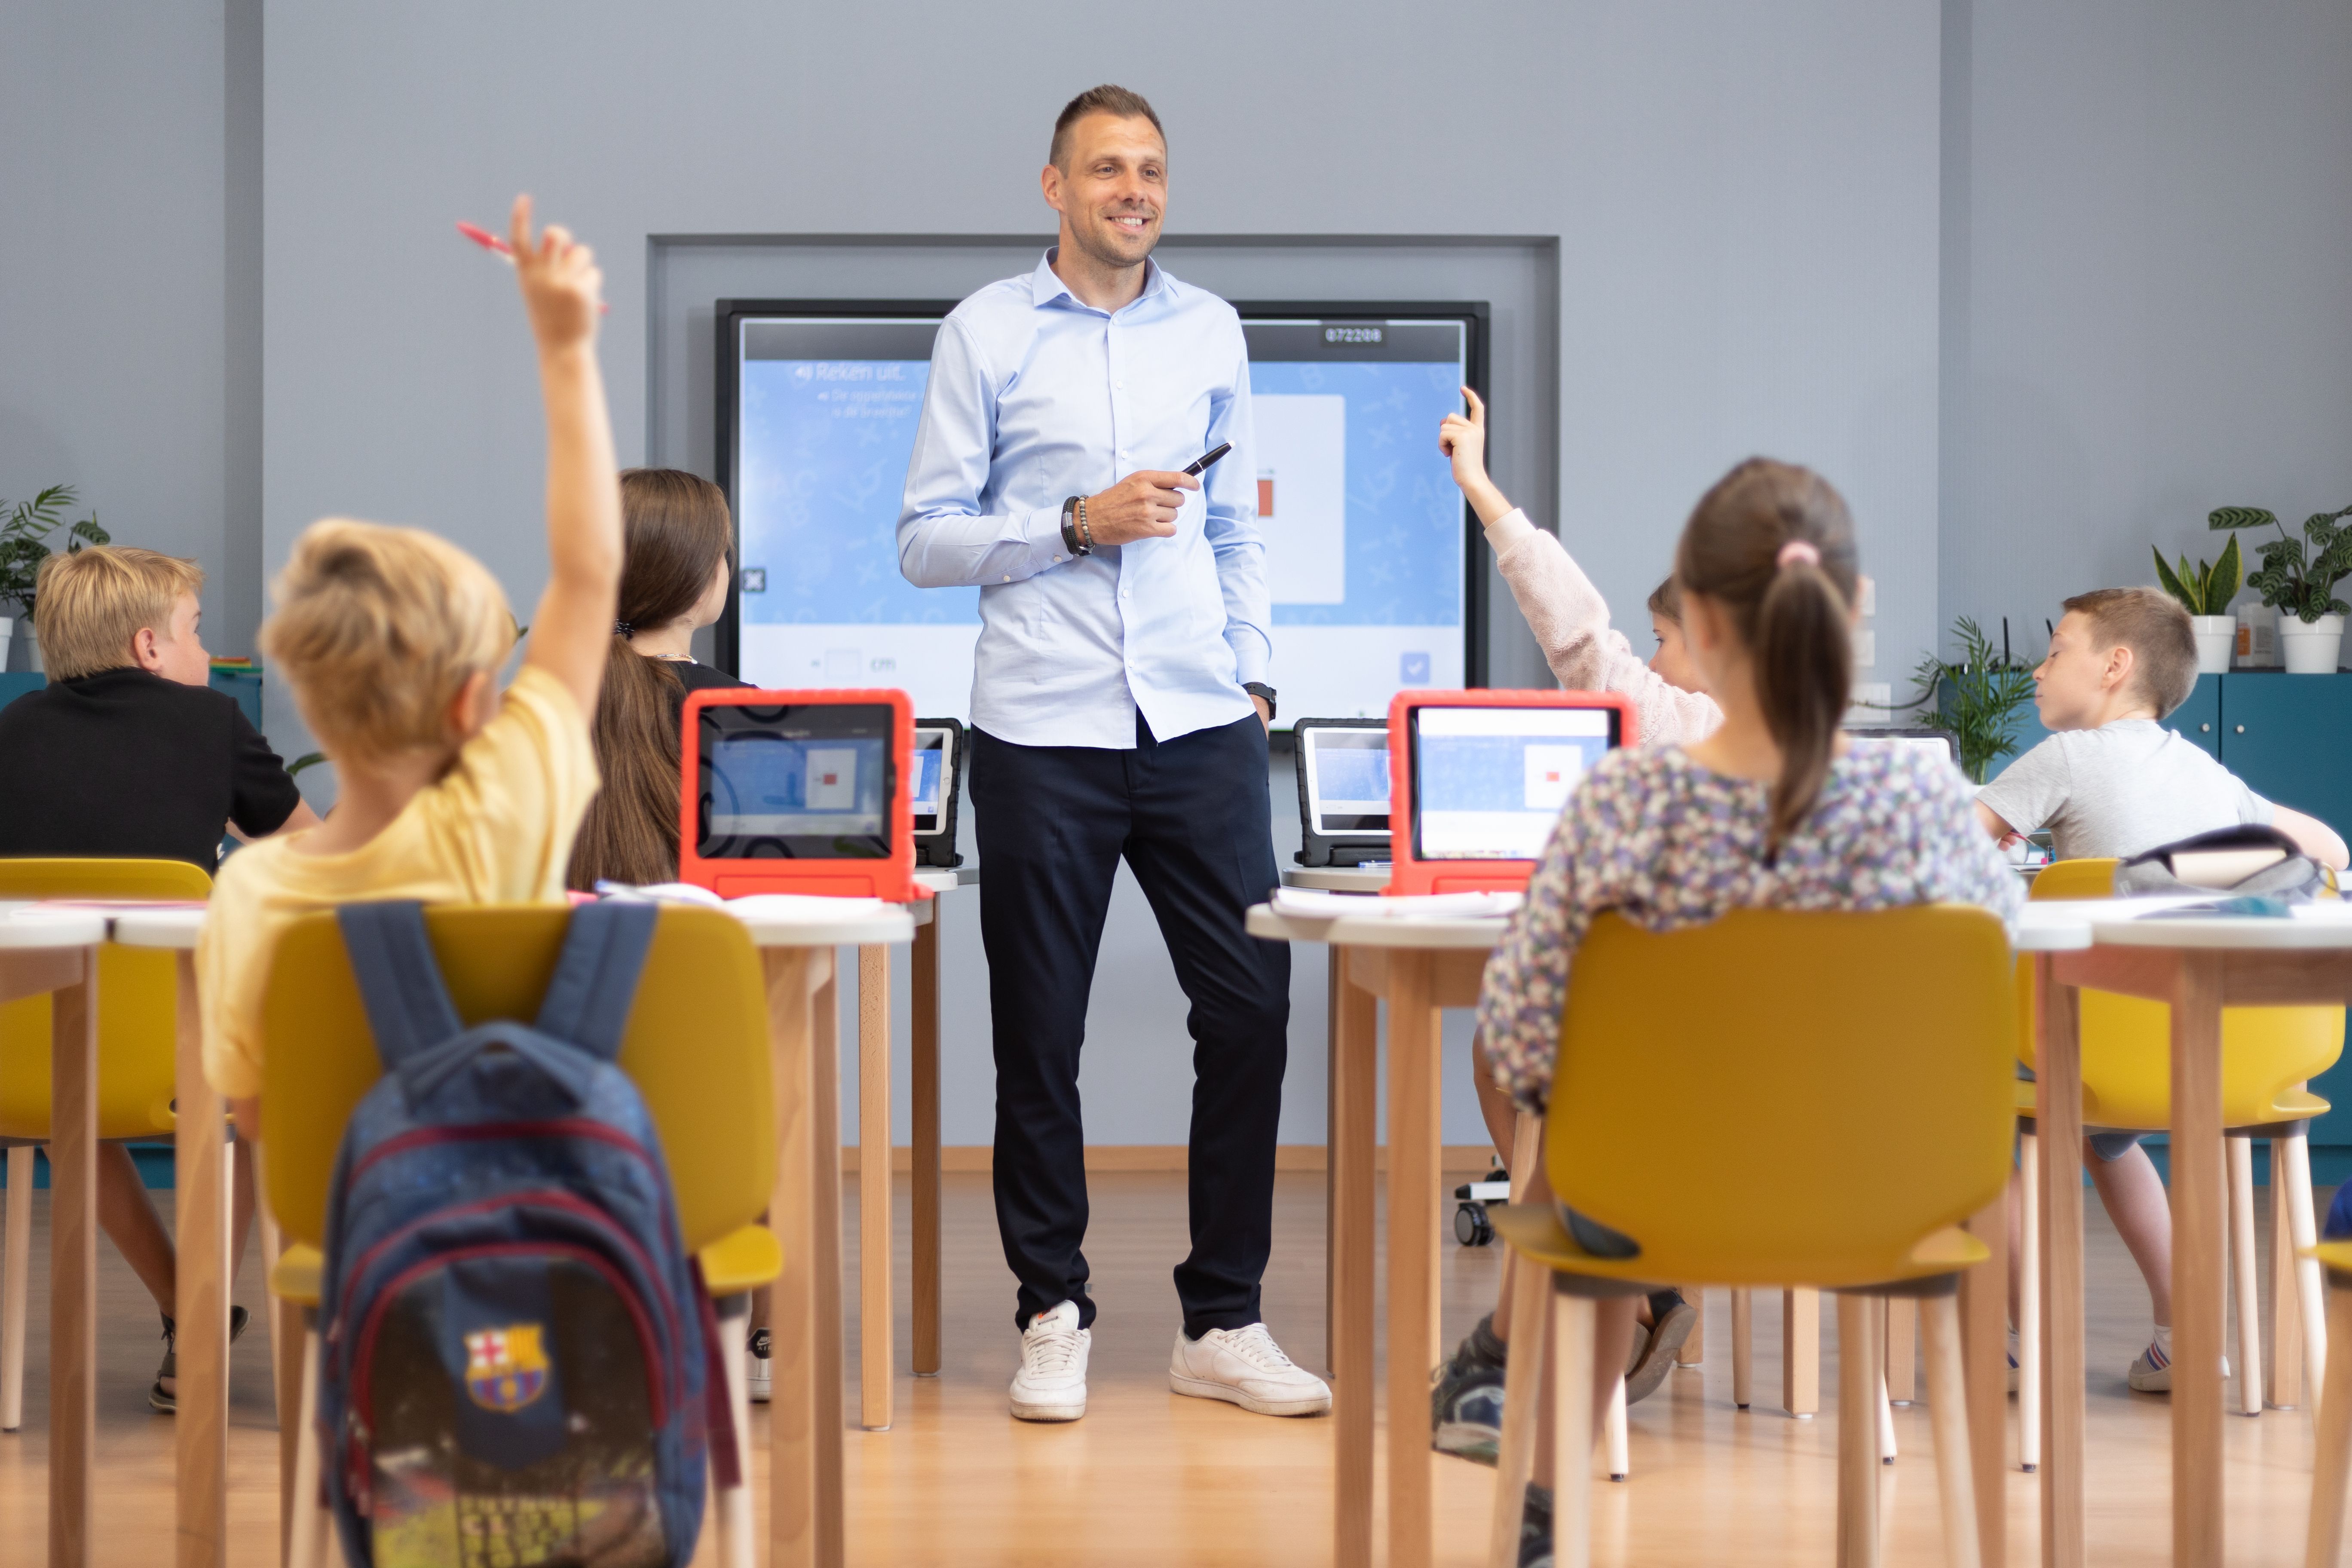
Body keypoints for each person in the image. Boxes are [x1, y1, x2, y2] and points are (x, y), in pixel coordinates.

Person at [1436, 459, 2021, 1562]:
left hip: (1645, 1202)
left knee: (1586, 1173)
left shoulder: (1624, 801)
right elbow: (1995, 1019)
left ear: (1694, 623)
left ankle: (1530, 1465)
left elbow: (1514, 1044)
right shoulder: (1929, 807)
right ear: (1850, 611)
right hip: (1888, 1198)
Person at [897, 84, 1324, 1424]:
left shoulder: (1211, 328)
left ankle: (1224, 1318)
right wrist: (1073, 522)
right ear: (1054, 189)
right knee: (1040, 1034)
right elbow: (924, 538)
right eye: (1105, 170)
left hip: (1199, 720)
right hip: (1043, 729)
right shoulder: (984, 331)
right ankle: (1052, 1307)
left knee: (1251, 1010)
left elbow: (1238, 527)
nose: (1132, 190)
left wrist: (1254, 669)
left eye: (1149, 170)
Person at [199, 197, 619, 1155]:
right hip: (527, 1233)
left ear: (309, 694)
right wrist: (563, 349)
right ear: (477, 705)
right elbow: (592, 572)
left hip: (360, 1253)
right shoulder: (500, 819)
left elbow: (263, 1121)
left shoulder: (254, 894)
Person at [1974, 587, 2349, 1392]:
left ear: (2114, 666)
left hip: (2097, 1043)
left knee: (1975, 1115)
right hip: (2227, 1057)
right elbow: (2326, 848)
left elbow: (1942, 843)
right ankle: (2185, 1336)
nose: (2037, 671)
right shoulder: (2205, 769)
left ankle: (2029, 1337)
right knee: (2106, 1137)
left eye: (2054, 650)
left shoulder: (2069, 755)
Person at [1439, 392, 1720, 1400]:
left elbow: (1574, 635)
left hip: (1650, 1065)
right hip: (1796, 1093)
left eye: (1664, 640)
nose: (1649, 660)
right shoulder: (1830, 757)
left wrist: (1479, 489)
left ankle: (1616, 1289)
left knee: (1503, 1055)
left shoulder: (1668, 720)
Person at [0, 545, 315, 1407]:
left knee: (76, 1105)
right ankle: (205, 1311)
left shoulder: (9, 731)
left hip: (27, 1062)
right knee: (263, 1095)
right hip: (184, 1056)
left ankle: (187, 1306)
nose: (207, 654)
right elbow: (310, 852)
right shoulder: (211, 723)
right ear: (149, 647)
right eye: (195, 632)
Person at [567, 467, 746, 891]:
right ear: (702, 578)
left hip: (559, 951)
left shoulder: (544, 702)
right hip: (707, 950)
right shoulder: (743, 712)